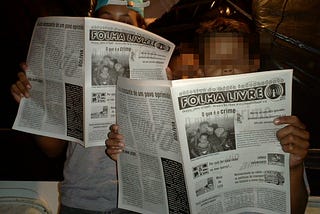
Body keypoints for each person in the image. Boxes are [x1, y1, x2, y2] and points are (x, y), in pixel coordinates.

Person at [106, 16, 310, 214]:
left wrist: (294, 166)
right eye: (216, 61)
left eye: (237, 59)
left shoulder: (277, 123)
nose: (228, 67)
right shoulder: (172, 118)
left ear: (253, 65)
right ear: (201, 72)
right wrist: (130, 154)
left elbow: (296, 210)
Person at [10, 0, 150, 213]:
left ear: (141, 31)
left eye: (125, 22)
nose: (114, 27)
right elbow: (52, 149)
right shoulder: (72, 71)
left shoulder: (159, 76)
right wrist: (34, 106)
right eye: (106, 20)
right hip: (80, 200)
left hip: (139, 202)